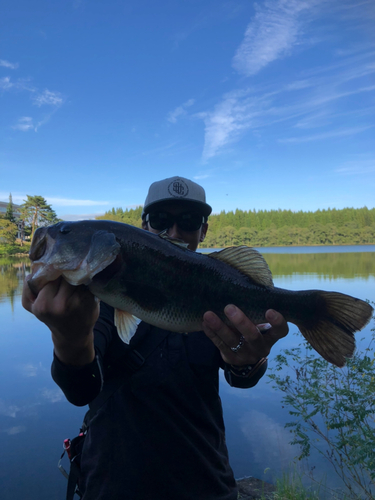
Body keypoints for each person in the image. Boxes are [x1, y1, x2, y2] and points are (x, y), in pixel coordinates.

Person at [22, 176, 289, 500]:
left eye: (188, 221)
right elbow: (82, 389)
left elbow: (241, 376)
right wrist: (70, 340)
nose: (174, 232)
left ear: (204, 230)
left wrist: (250, 360)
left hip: (206, 485)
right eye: (162, 220)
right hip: (112, 487)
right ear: (143, 226)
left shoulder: (218, 285)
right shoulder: (96, 298)